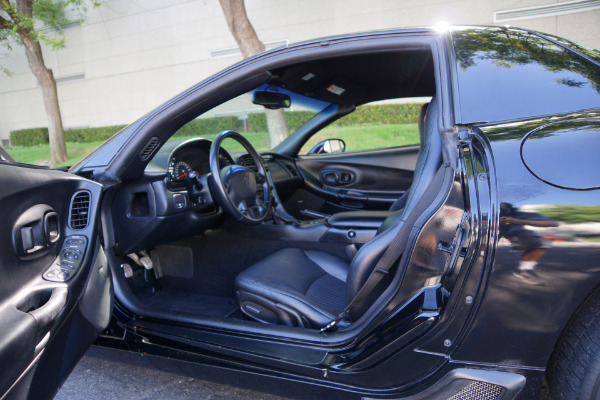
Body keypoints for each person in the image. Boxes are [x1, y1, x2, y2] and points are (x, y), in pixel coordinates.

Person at [499, 203, 559, 284]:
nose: (502, 214)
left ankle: (524, 269)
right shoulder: (492, 217)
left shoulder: (518, 215)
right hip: (493, 233)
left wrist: (517, 221)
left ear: (510, 210)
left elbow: (553, 223)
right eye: (500, 210)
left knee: (541, 243)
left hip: (516, 233)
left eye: (505, 210)